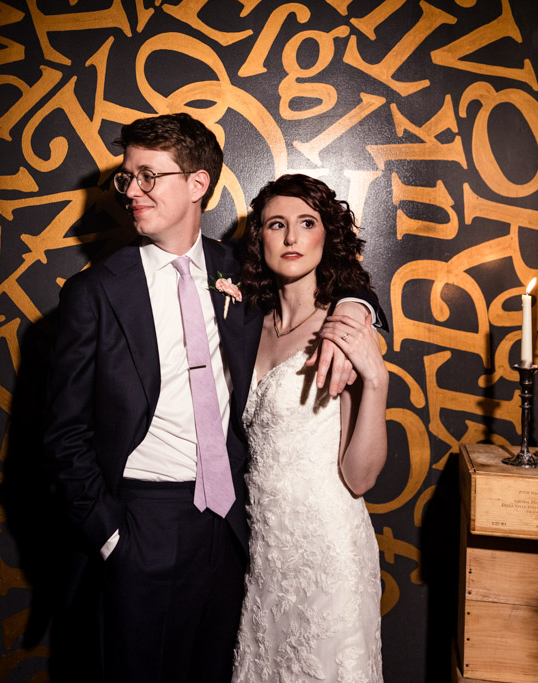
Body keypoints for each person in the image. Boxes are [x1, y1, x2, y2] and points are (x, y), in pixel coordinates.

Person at [43, 114, 383, 683]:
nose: (132, 191)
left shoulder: (240, 274)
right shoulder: (94, 292)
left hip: (231, 528)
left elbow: (333, 277)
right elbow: (63, 435)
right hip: (141, 523)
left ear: (197, 185)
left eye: (149, 176)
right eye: (127, 178)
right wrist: (111, 537)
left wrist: (357, 308)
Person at [231, 174, 388, 683]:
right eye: (277, 225)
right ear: (261, 239)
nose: (292, 238)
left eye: (307, 223)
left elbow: (360, 478)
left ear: (327, 236)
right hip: (264, 554)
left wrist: (377, 384)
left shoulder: (343, 332)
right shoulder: (247, 325)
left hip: (328, 555)